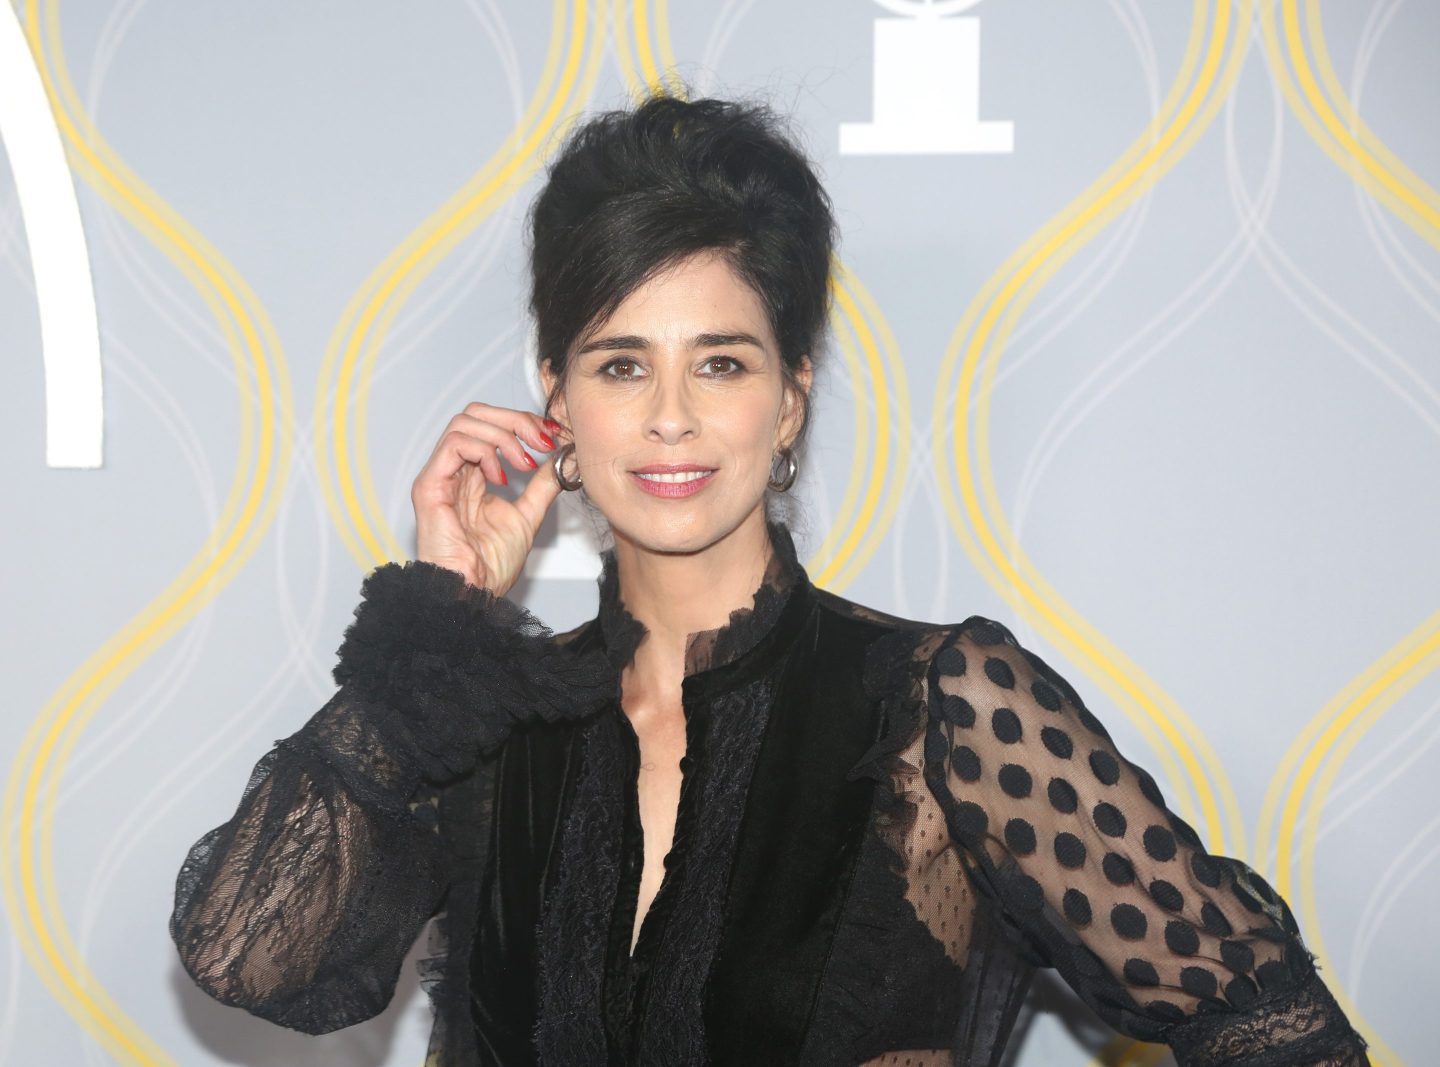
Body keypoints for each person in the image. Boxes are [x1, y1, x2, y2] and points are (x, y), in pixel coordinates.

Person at [169, 94, 1369, 1066]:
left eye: (723, 361)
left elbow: (1279, 1031)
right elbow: (245, 953)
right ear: (559, 400)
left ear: (789, 397)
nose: (674, 417)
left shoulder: (940, 703)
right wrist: (443, 622)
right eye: (623, 363)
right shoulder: (488, 722)